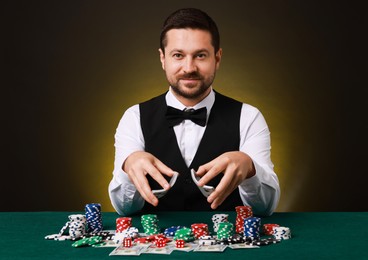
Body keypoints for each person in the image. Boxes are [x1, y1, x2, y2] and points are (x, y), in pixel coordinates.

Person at [109, 8, 280, 216]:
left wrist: (250, 168)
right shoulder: (134, 117)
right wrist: (129, 165)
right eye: (178, 55)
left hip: (229, 246)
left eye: (200, 55)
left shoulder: (249, 117)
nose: (189, 68)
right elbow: (124, 209)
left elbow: (266, 209)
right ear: (163, 58)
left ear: (217, 58)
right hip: (154, 246)